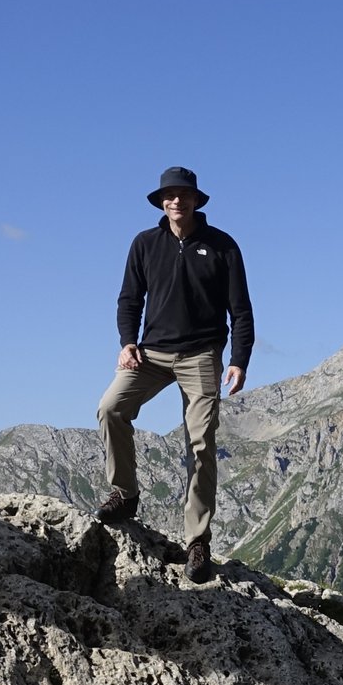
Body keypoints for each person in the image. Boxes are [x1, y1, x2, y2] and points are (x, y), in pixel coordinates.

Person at [93, 165, 255, 583]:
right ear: (161, 202)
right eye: (169, 195)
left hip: (201, 356)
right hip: (150, 354)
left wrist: (238, 360)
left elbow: (241, 311)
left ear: (196, 200)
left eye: (183, 195)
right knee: (110, 408)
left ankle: (197, 541)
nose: (176, 201)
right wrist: (127, 341)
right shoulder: (145, 244)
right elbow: (129, 299)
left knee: (200, 443)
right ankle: (125, 495)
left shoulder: (222, 246)